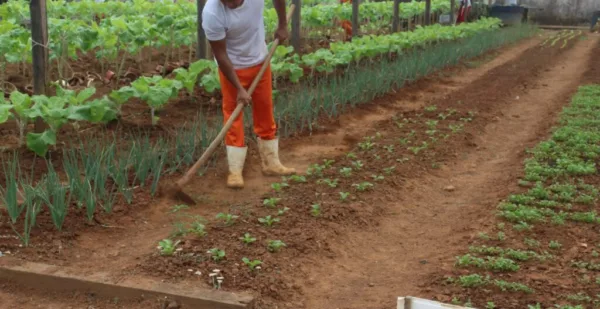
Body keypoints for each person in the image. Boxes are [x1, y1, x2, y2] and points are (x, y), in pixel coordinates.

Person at [202, 0, 296, 189]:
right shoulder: (212, 13)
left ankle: (271, 163)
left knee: (265, 110)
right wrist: (239, 88)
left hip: (260, 61)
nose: (229, 3)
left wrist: (283, 25)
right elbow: (220, 56)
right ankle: (235, 171)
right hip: (231, 68)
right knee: (233, 115)